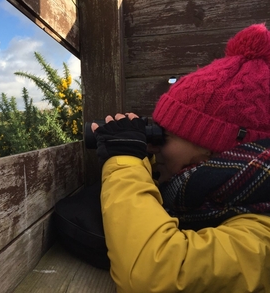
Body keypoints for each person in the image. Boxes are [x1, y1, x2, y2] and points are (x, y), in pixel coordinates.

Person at [91, 23, 270, 292]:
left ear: (209, 147)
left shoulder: (262, 232)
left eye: (166, 136)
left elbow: (155, 273)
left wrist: (125, 161)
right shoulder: (223, 197)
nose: (156, 148)